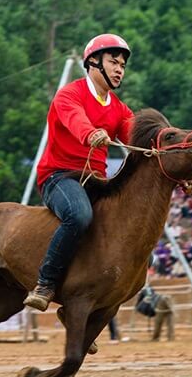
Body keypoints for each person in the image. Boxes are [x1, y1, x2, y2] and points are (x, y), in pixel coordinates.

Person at [24, 34, 134, 311]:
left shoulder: (119, 109)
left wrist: (170, 153)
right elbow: (76, 119)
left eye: (122, 64)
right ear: (93, 63)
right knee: (79, 215)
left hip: (96, 182)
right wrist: (91, 134)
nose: (120, 69)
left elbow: (139, 137)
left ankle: (89, 307)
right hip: (59, 177)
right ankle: (45, 283)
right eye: (113, 62)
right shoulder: (69, 95)